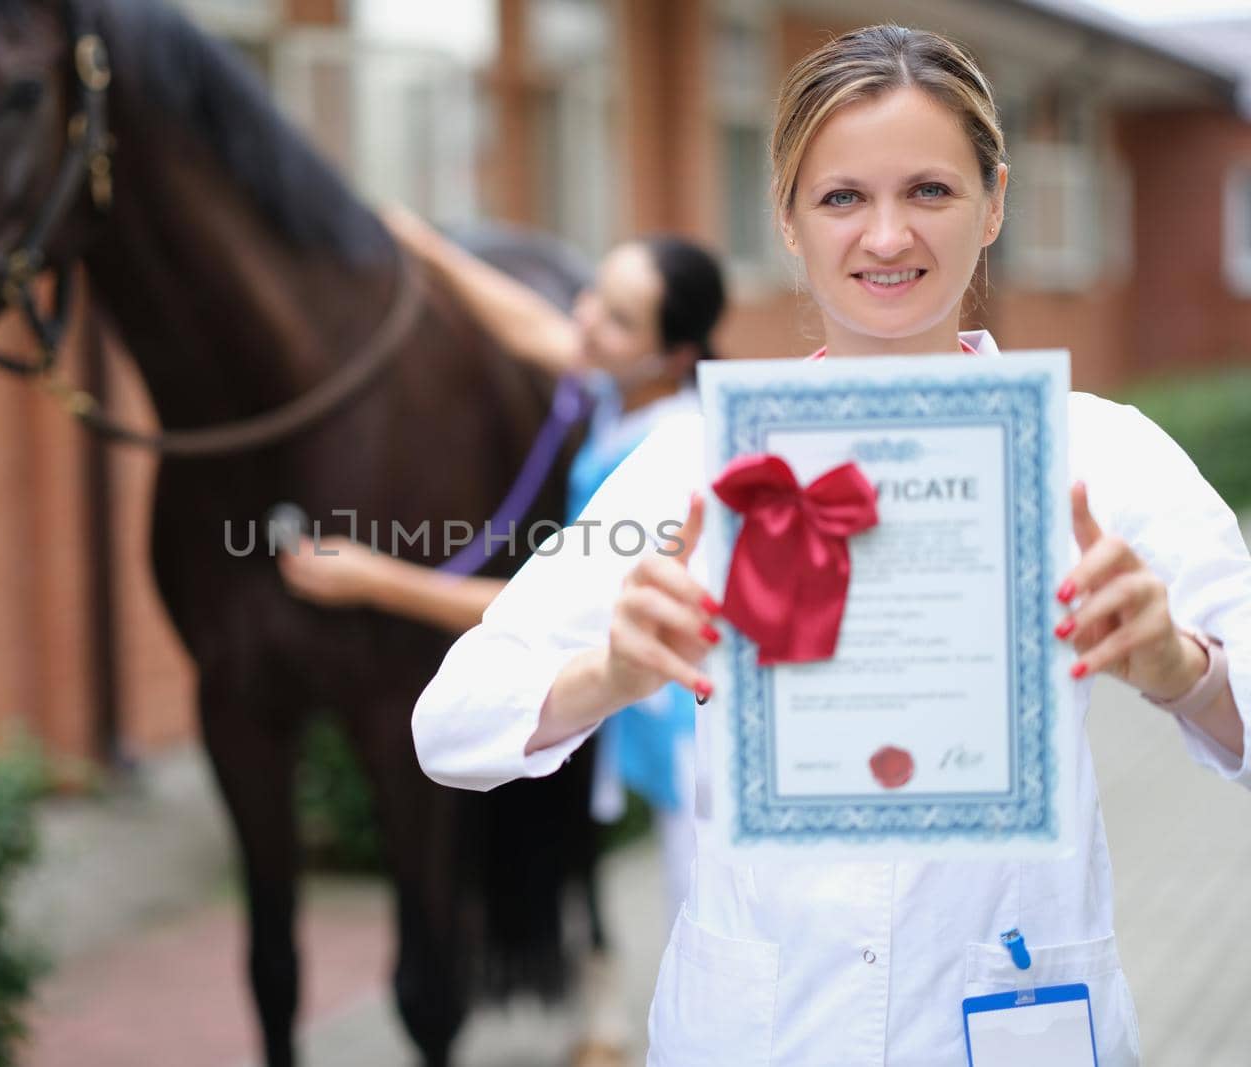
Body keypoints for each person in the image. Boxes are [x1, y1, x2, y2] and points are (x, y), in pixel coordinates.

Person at [412, 24, 1250, 1067]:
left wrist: (1181, 669)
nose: (887, 236)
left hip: (1013, 1011)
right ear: (788, 221)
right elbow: (447, 727)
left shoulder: (1098, 455)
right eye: (843, 197)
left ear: (993, 204)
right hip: (763, 1024)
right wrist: (613, 672)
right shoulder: (695, 464)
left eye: (931, 192)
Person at [278, 218, 725, 1062]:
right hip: (646, 699)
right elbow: (529, 322)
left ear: (671, 354)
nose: (585, 321)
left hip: (688, 732)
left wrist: (373, 578)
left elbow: (533, 607)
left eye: (618, 319)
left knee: (699, 933)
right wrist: (423, 245)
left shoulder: (668, 450)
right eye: (593, 296)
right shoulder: (621, 387)